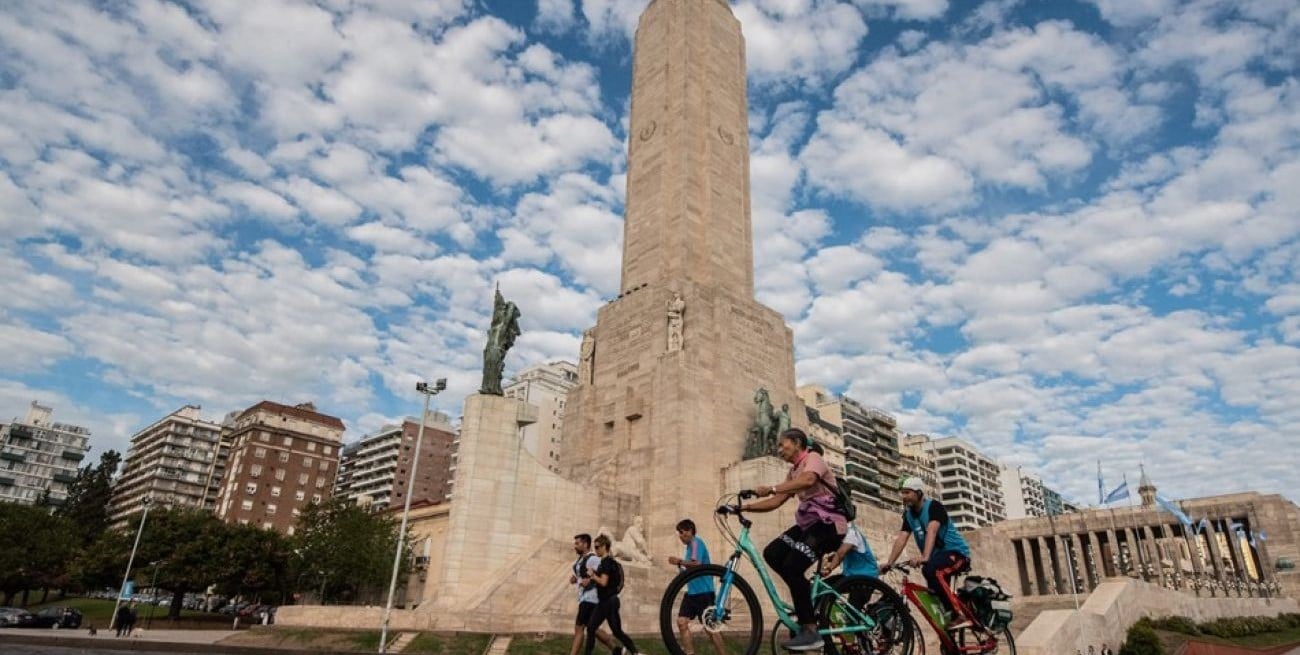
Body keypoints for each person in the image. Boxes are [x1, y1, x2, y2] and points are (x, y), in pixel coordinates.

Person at [737, 428, 848, 651]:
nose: (779, 450)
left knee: (792, 566)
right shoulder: (792, 472)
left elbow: (808, 480)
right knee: (773, 553)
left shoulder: (813, 459)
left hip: (829, 525)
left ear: (797, 443)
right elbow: (776, 501)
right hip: (808, 525)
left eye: (782, 445)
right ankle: (804, 599)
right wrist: (743, 507)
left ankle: (810, 629)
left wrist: (771, 488)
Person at [881, 477, 973, 631]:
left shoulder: (933, 507)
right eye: (902, 493)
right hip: (936, 559)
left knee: (931, 570)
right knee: (934, 601)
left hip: (956, 554)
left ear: (918, 492)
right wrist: (890, 562)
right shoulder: (909, 515)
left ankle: (960, 615)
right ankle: (950, 642)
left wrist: (925, 557)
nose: (903, 496)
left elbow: (932, 530)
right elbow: (902, 538)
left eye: (907, 492)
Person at [667, 519, 725, 655]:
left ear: (690, 531)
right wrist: (681, 567)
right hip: (692, 593)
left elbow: (697, 563)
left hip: (704, 592)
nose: (680, 536)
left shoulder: (696, 543)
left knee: (710, 628)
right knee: (681, 622)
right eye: (679, 533)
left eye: (682, 532)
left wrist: (679, 561)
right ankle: (690, 653)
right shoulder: (689, 547)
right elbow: (690, 569)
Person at [585, 535, 638, 655]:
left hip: (607, 601)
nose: (596, 549)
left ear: (604, 547)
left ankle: (635, 652)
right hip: (609, 601)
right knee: (616, 631)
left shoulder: (606, 562)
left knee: (592, 627)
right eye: (595, 547)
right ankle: (634, 652)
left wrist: (593, 575)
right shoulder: (609, 562)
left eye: (597, 547)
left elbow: (603, 582)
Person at [569, 534, 616, 655]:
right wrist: (576, 579)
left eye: (577, 543)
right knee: (593, 628)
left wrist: (590, 580)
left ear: (585, 544)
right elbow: (584, 576)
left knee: (579, 628)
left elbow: (603, 573)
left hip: (590, 598)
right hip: (585, 597)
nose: (575, 546)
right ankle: (617, 650)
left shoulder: (593, 559)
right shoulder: (581, 560)